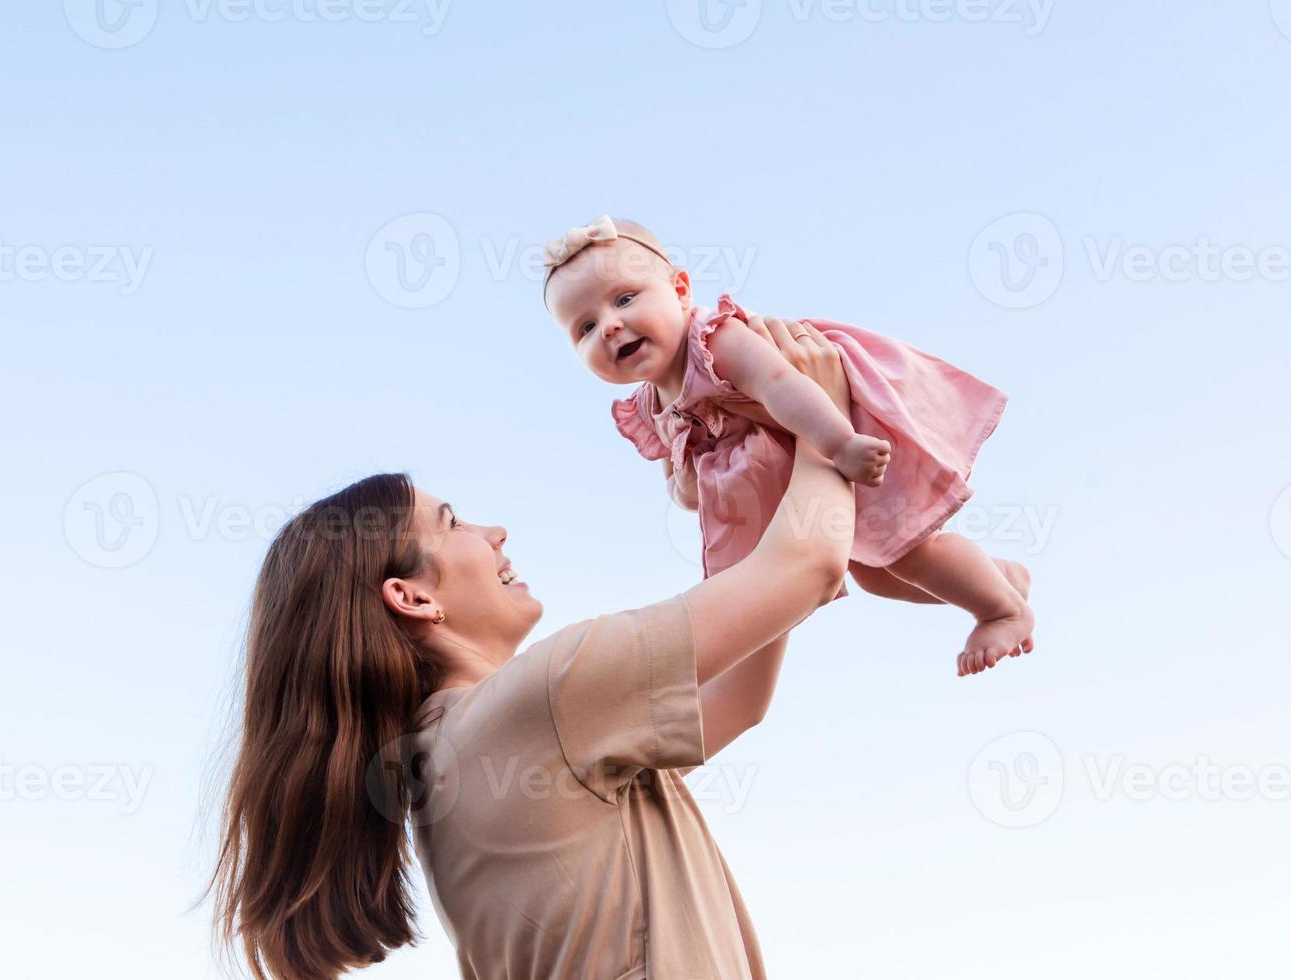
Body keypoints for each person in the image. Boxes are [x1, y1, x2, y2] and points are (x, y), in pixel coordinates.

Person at [212, 316, 860, 978]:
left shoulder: (469, 752)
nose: (493, 531)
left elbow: (739, 699)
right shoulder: (541, 707)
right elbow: (808, 564)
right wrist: (824, 411)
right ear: (411, 598)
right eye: (452, 523)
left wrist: (749, 508)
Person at [543, 216, 1035, 677]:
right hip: (806, 476)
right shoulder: (652, 407)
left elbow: (781, 384)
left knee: (907, 552)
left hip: (839, 429)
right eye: (584, 327)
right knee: (876, 576)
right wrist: (685, 482)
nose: (607, 325)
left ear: (680, 290)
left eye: (625, 299)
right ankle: (996, 576)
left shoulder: (713, 341)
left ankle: (1002, 609)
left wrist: (840, 443)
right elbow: (681, 486)